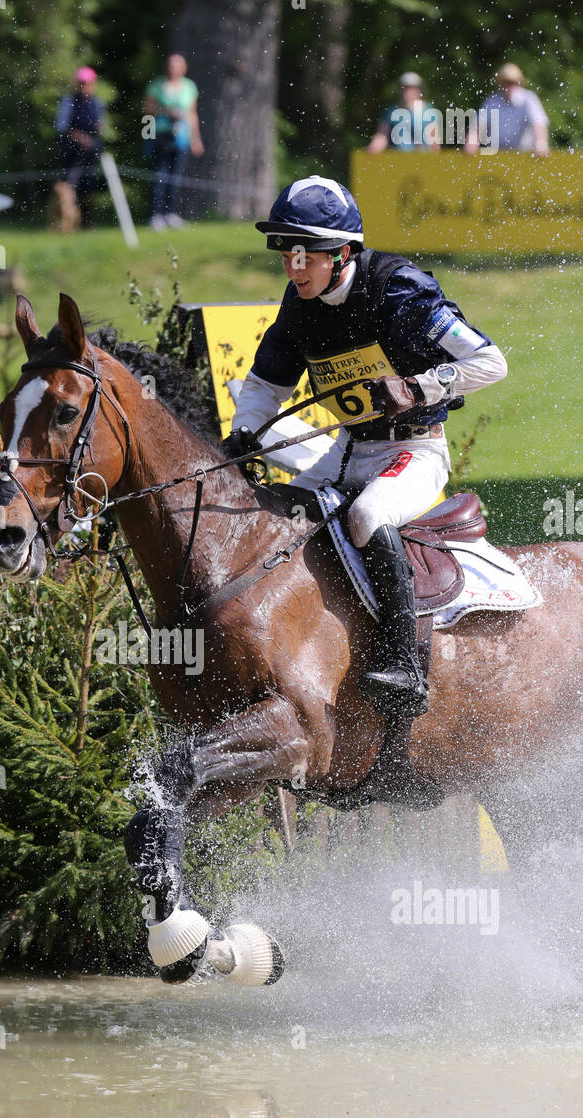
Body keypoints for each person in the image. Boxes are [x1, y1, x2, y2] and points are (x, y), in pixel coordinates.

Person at [227, 176, 507, 716]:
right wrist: (245, 436)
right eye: (286, 253)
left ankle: (403, 664)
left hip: (415, 450)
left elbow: (491, 362)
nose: (292, 266)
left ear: (344, 252)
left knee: (368, 514)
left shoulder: (398, 288)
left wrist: (416, 387)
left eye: (305, 255)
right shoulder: (299, 302)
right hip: (348, 449)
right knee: (283, 513)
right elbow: (265, 385)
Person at [143, 53, 204, 230]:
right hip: (161, 134)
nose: (173, 69)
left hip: (181, 136)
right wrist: (167, 111)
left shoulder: (189, 87)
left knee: (176, 177)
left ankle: (171, 213)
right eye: (170, 65)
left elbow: (192, 114)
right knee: (160, 175)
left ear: (183, 68)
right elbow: (147, 109)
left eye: (176, 66)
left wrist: (196, 138)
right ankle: (156, 214)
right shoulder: (157, 85)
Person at [55, 67, 105, 228]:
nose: (85, 86)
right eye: (82, 83)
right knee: (69, 189)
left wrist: (98, 130)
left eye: (88, 83)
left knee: (88, 188)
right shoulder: (69, 102)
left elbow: (101, 127)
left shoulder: (97, 104)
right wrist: (80, 137)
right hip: (72, 153)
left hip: (90, 153)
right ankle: (66, 225)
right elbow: (62, 126)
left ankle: (87, 223)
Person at [464, 62, 549, 156]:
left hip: (523, 156)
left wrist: (541, 143)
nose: (509, 86)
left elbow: (539, 125)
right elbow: (478, 127)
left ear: (519, 83)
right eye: (506, 82)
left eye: (512, 82)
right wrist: (471, 143)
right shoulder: (492, 101)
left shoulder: (529, 99)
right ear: (500, 83)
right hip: (495, 156)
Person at [367, 72, 442, 153]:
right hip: (397, 159)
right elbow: (382, 136)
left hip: (422, 159)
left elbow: (434, 142)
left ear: (418, 90)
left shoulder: (428, 112)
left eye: (411, 88)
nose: (407, 91)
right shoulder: (391, 112)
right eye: (405, 88)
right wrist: (373, 150)